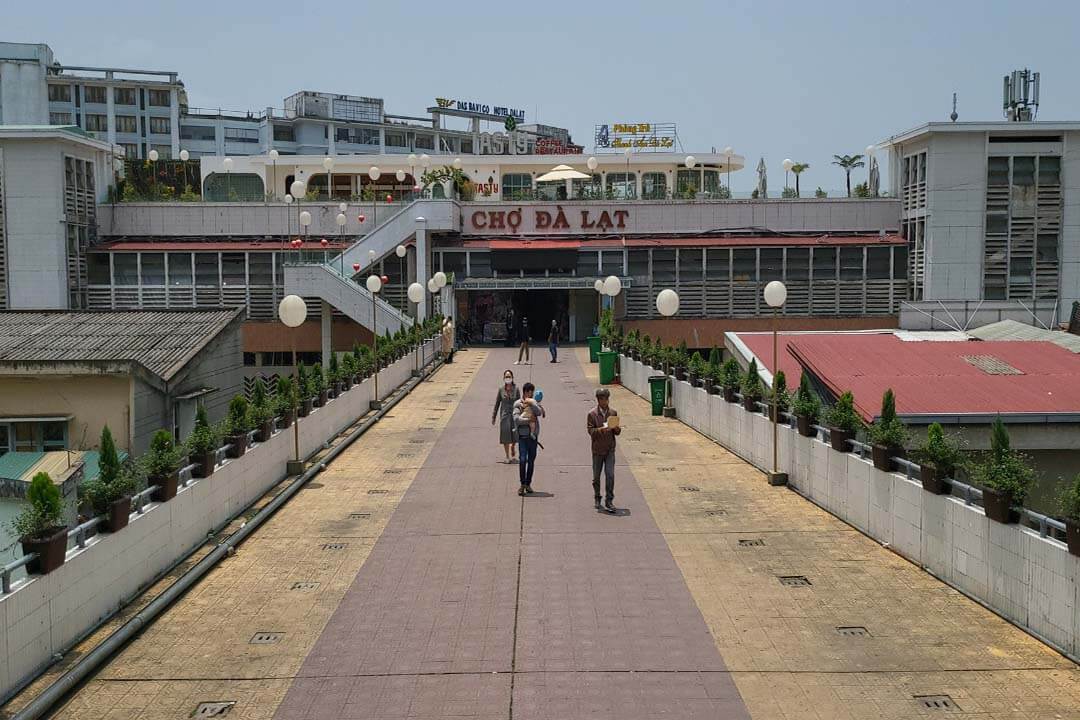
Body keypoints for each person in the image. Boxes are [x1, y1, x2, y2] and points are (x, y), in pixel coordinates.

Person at [586, 387, 621, 512]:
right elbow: (591, 431)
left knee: (610, 474)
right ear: (598, 400)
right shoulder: (592, 414)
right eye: (602, 399)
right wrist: (601, 429)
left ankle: (609, 500)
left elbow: (618, 432)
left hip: (610, 449)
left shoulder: (613, 413)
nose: (605, 401)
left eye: (606, 399)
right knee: (596, 476)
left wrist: (615, 428)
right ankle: (597, 496)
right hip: (597, 450)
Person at [513, 382, 545, 495]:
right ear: (524, 392)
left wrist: (533, 403)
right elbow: (516, 420)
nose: (530, 395)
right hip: (522, 437)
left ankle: (528, 484)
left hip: (533, 438)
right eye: (528, 392)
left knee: (531, 461)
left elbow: (539, 413)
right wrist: (528, 420)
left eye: (532, 393)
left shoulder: (533, 403)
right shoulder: (518, 404)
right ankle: (522, 484)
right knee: (522, 460)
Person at [491, 370, 520, 463]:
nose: (508, 378)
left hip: (514, 415)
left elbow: (520, 403)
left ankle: (513, 446)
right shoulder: (501, 389)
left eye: (509, 376)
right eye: (506, 377)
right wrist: (494, 416)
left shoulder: (516, 389)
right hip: (504, 416)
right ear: (504, 378)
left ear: (512, 377)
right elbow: (497, 403)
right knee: (505, 435)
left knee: (515, 435)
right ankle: (507, 456)